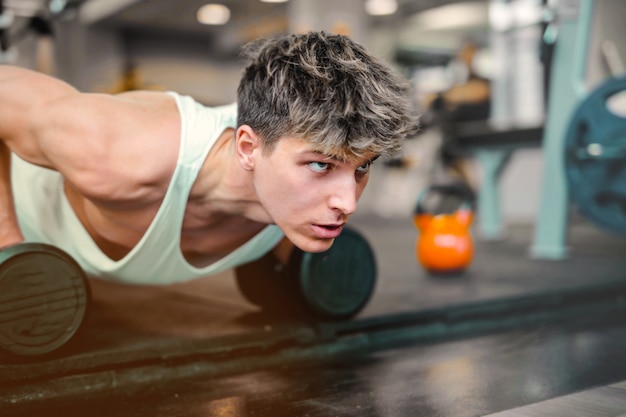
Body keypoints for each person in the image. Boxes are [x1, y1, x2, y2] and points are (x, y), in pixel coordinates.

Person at [0, 31, 418, 285]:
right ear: (248, 149)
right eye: (320, 166)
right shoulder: (117, 152)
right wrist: (8, 244)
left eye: (363, 167)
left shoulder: (299, 191)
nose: (348, 202)